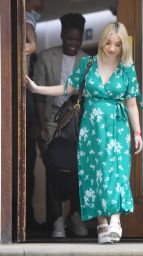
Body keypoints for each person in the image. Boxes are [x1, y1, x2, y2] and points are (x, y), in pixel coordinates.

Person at [27, 21, 143, 244]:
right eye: (109, 43)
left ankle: (115, 221)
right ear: (103, 41)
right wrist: (36, 88)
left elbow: (131, 104)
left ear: (123, 46)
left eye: (117, 44)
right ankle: (102, 224)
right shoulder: (88, 63)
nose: (112, 48)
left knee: (117, 171)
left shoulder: (127, 69)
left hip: (117, 129)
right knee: (94, 174)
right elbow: (67, 88)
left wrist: (137, 133)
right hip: (91, 131)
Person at [33, 13, 88, 238]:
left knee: (77, 168)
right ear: (62, 36)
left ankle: (74, 215)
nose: (73, 44)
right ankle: (56, 220)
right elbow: (37, 97)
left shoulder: (87, 61)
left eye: (77, 40)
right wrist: (41, 124)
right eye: (69, 39)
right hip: (50, 119)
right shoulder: (46, 57)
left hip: (76, 121)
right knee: (53, 169)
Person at [25, 0, 44, 233]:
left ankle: (27, 219)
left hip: (28, 95)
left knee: (28, 164)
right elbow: (33, 45)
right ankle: (26, 220)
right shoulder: (26, 17)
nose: (41, 11)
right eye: (39, 6)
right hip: (26, 96)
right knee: (27, 163)